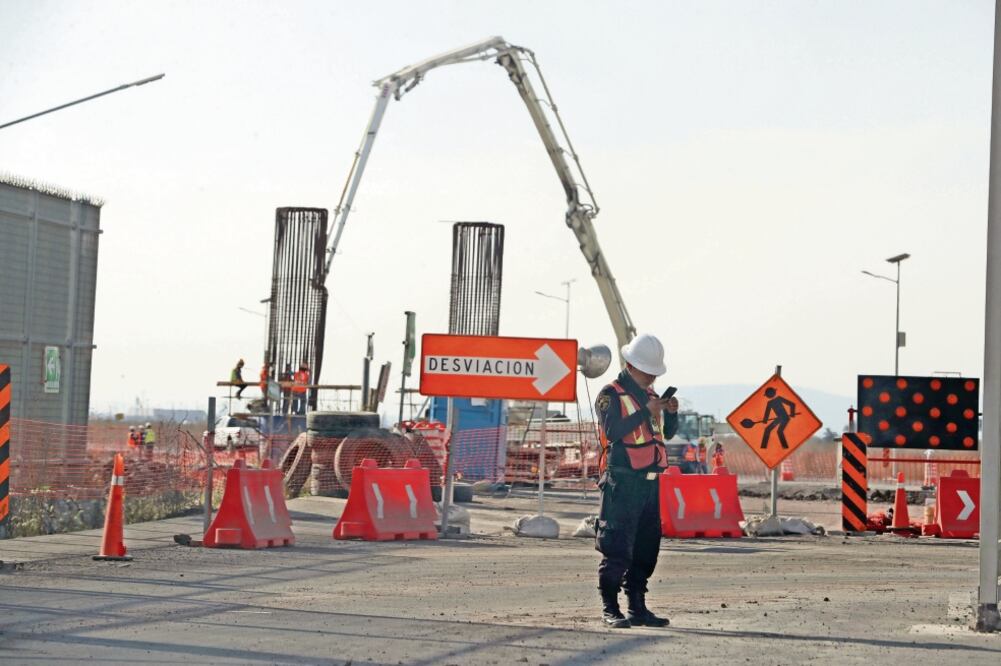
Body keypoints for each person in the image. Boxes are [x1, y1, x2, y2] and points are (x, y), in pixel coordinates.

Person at [594, 333, 678, 629]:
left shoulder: (651, 397)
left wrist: (671, 414)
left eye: (655, 372)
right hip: (622, 482)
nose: (652, 377)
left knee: (646, 546)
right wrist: (645, 412)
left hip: (650, 483)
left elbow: (665, 435)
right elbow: (614, 430)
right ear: (631, 365)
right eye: (648, 371)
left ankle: (637, 607)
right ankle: (610, 608)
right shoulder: (610, 394)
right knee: (617, 546)